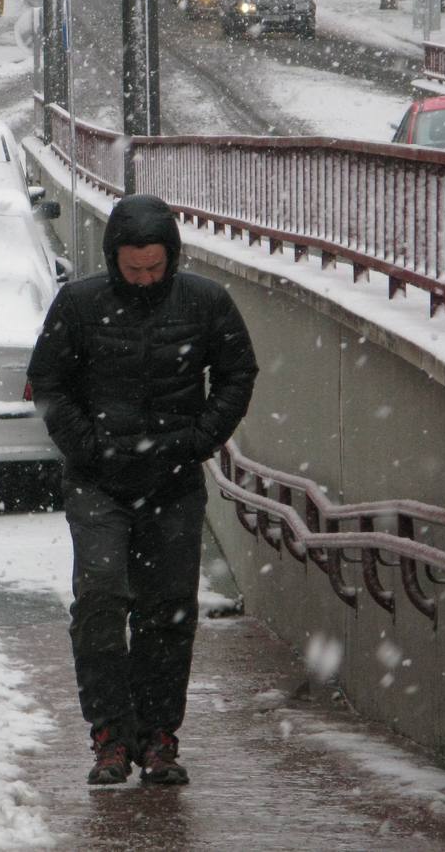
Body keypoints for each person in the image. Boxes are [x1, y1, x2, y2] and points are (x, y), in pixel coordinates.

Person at [27, 193, 258, 786]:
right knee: (101, 601)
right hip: (98, 482)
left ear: (172, 258)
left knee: (167, 611)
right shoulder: (78, 304)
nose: (145, 279)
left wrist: (200, 438)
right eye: (133, 270)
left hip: (173, 481)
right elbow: (49, 383)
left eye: (156, 268)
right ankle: (108, 736)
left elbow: (238, 373)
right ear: (113, 260)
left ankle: (158, 737)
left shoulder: (205, 302)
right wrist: (90, 448)